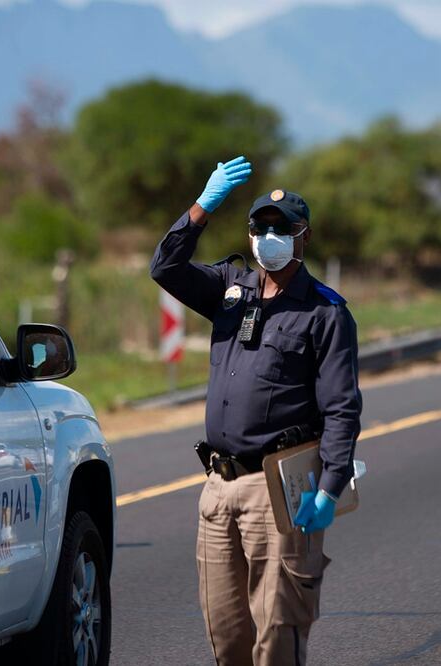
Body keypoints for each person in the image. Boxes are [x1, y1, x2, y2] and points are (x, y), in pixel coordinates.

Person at [150, 156, 362, 665]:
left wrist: (331, 486)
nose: (269, 236)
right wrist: (204, 205)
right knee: (227, 637)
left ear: (302, 237)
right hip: (218, 487)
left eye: (280, 229)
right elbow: (165, 268)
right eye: (260, 228)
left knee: (277, 635)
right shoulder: (230, 288)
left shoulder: (326, 312)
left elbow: (342, 408)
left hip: (278, 488)